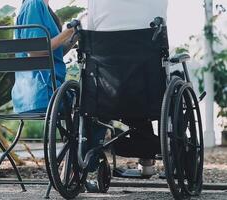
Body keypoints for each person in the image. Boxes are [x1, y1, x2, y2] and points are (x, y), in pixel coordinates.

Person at [13, 0, 105, 192]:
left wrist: (72, 39)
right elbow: (35, 50)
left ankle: (73, 170)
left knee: (88, 103)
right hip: (44, 92)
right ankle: (84, 168)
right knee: (97, 102)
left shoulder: (41, 7)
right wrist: (68, 32)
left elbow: (52, 51)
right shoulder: (34, 4)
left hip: (42, 92)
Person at [87, 0, 168, 176]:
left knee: (126, 88)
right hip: (147, 90)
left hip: (107, 92)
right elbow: (162, 27)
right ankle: (148, 161)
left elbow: (91, 30)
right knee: (140, 84)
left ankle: (86, 162)